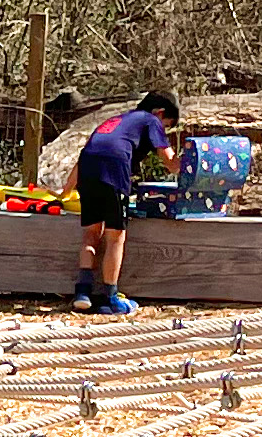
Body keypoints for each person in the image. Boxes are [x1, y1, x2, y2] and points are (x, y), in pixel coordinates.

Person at [69, 91, 183, 313]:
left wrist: (64, 193)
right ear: (159, 113)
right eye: (166, 126)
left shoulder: (116, 120)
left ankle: (83, 292)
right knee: (115, 236)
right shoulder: (151, 120)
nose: (163, 131)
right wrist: (193, 159)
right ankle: (110, 298)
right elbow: (170, 162)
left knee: (92, 232)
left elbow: (84, 156)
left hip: (88, 169)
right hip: (114, 169)